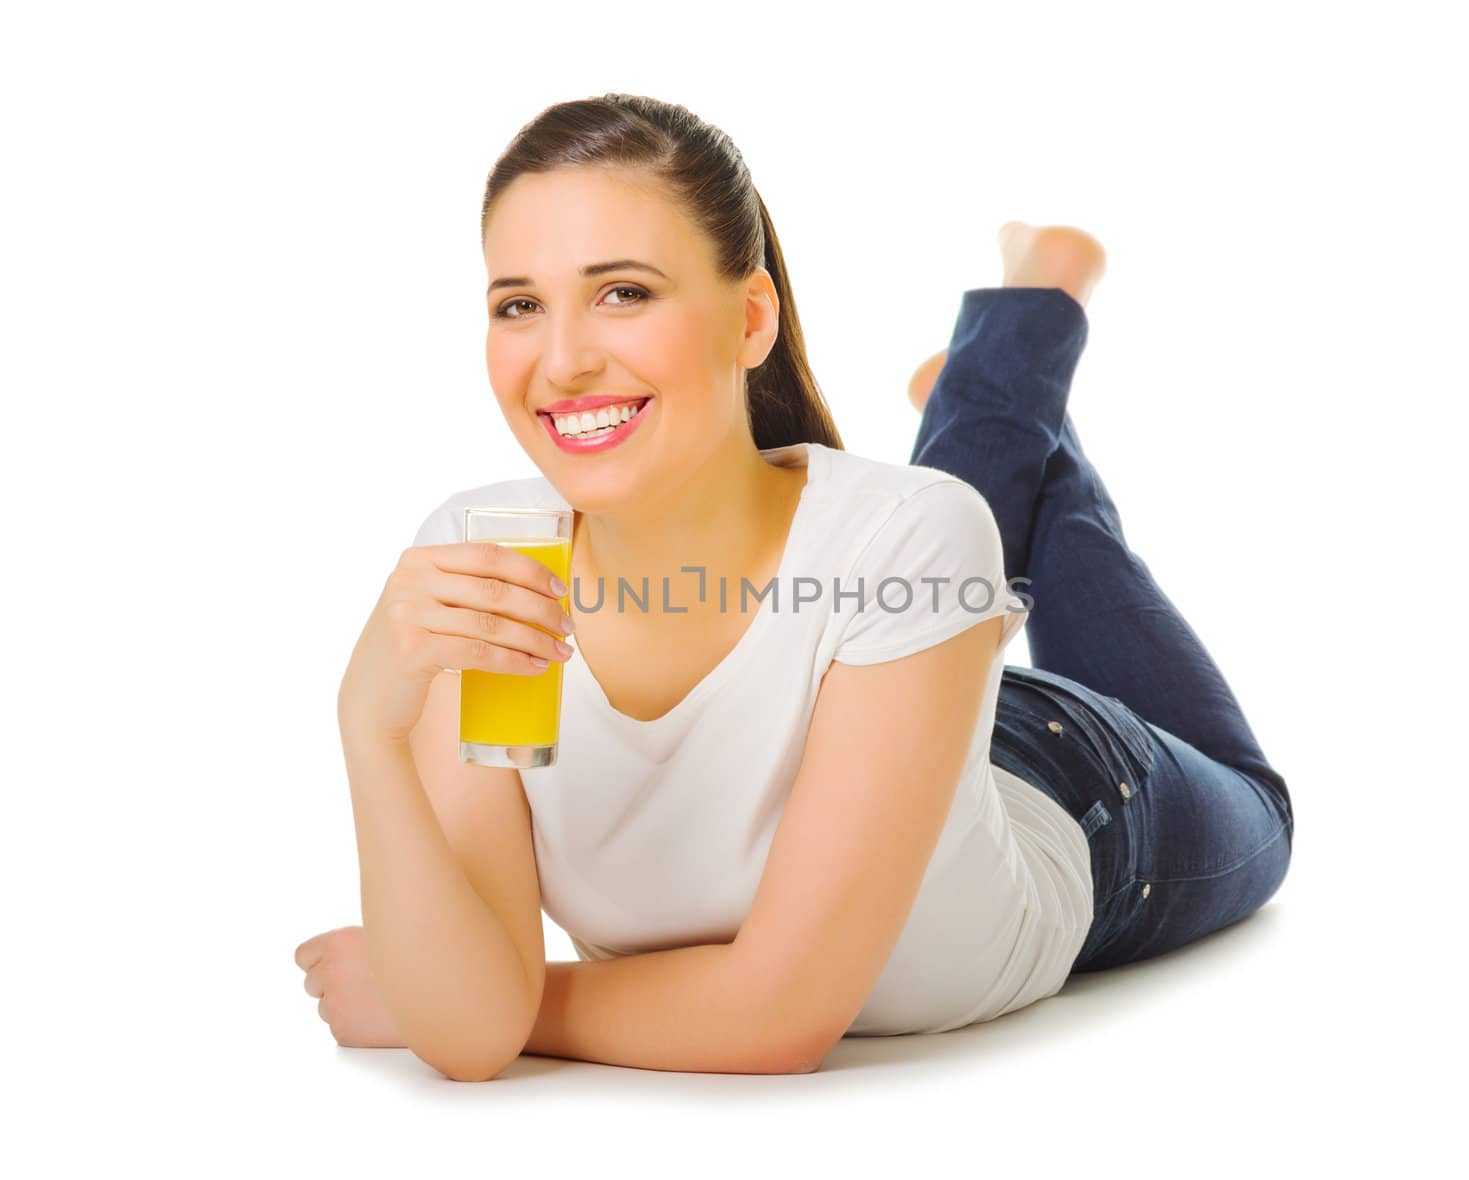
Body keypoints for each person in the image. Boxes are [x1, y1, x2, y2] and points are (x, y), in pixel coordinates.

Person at [295, 93, 1294, 1079]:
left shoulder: (905, 538)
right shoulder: (485, 560)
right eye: (519, 304)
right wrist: (366, 726)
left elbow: (771, 1019)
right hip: (893, 687)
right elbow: (471, 1039)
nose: (561, 360)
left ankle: (1024, 332)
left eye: (624, 292)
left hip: (1071, 791)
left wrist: (488, 995)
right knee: (935, 530)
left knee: (1251, 801)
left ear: (750, 317)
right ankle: (1000, 387)